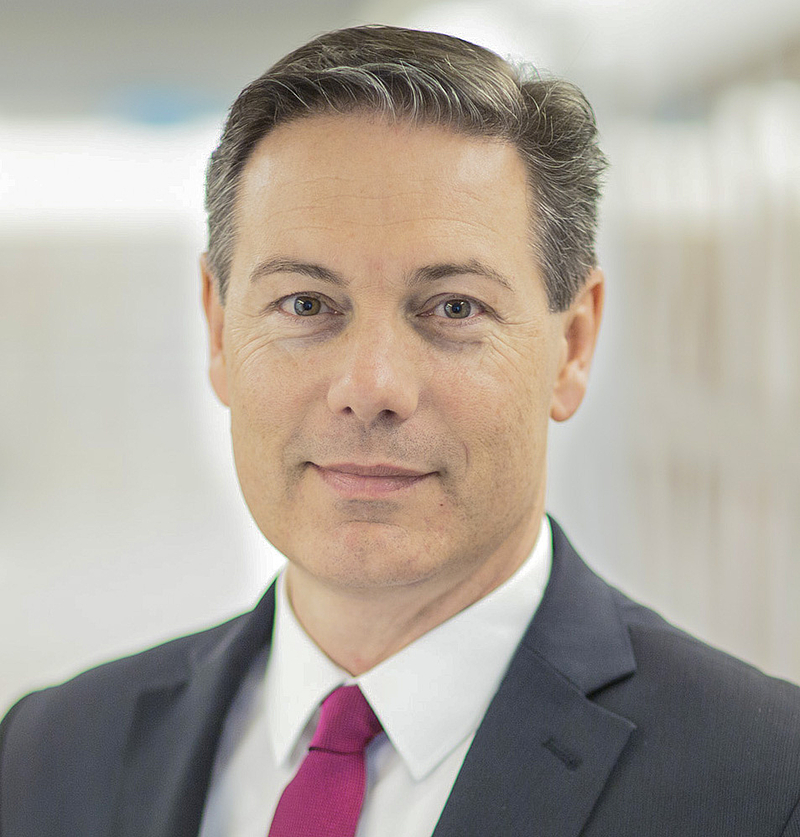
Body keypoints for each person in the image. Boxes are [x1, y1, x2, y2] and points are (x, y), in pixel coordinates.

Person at [1, 24, 799, 837]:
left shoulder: (765, 785)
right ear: (217, 331)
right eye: (306, 304)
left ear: (573, 345)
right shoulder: (47, 756)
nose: (371, 387)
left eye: (454, 307)